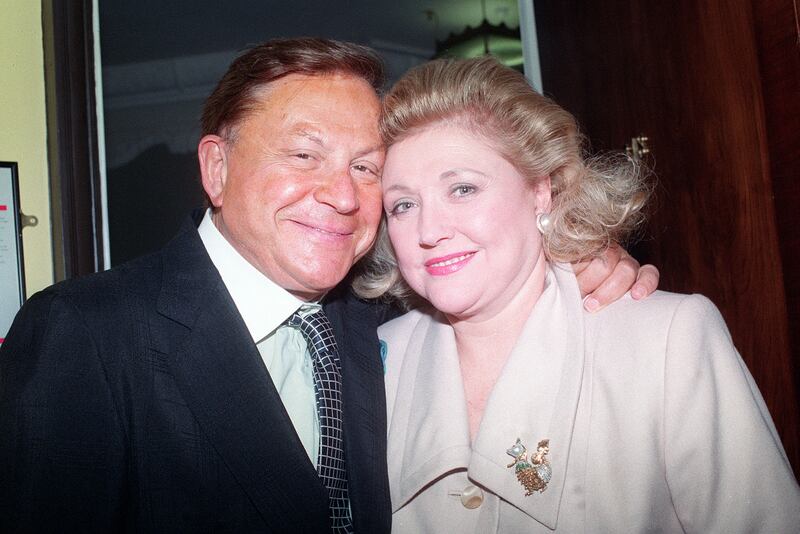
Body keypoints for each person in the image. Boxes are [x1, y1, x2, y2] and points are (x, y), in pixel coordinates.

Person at [0, 39, 656, 533]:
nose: (341, 195)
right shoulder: (85, 335)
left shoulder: (388, 325)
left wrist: (579, 255)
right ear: (216, 168)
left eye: (366, 166)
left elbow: (498, 275)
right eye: (303, 155)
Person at [369, 56, 800, 533]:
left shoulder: (669, 339)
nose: (429, 230)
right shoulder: (372, 363)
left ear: (540, 191)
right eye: (404, 205)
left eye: (463, 189)